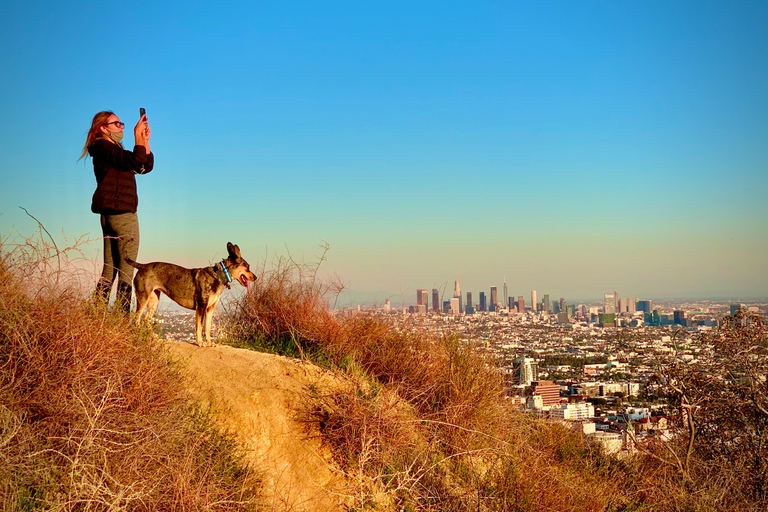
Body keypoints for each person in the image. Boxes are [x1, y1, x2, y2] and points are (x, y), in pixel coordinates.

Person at [79, 111, 153, 312]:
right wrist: (137, 137)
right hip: (122, 215)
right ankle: (122, 319)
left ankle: (97, 314)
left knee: (110, 269)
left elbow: (143, 166)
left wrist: (144, 140)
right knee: (127, 269)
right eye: (116, 123)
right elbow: (135, 160)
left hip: (110, 216)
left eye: (122, 123)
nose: (121, 127)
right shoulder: (103, 147)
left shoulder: (112, 150)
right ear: (103, 128)